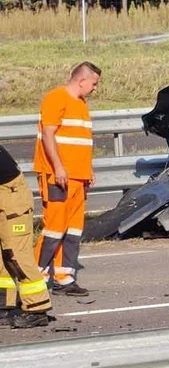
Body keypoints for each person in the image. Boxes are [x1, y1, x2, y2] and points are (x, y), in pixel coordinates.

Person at [34, 61, 101, 296]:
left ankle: (65, 278)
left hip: (78, 178)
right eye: (93, 83)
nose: (95, 88)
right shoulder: (56, 98)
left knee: (73, 230)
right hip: (58, 176)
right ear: (81, 80)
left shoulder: (81, 104)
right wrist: (59, 168)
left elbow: (80, 142)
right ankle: (35, 279)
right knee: (54, 228)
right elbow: (48, 136)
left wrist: (87, 171)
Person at [0, 144, 53, 327]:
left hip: (12, 197)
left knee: (16, 255)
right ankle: (4, 305)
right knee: (1, 257)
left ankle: (37, 308)